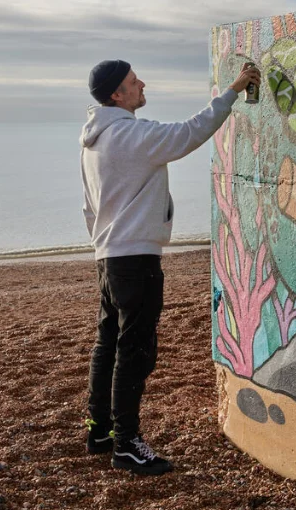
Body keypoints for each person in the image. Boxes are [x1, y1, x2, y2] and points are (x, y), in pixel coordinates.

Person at [79, 59, 261, 475]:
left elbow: (88, 205)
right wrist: (233, 90)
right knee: (135, 351)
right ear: (116, 96)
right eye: (132, 81)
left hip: (107, 257)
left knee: (108, 343)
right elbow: (188, 134)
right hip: (135, 257)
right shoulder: (129, 133)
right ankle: (126, 444)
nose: (141, 84)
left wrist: (104, 242)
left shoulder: (92, 141)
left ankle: (100, 430)